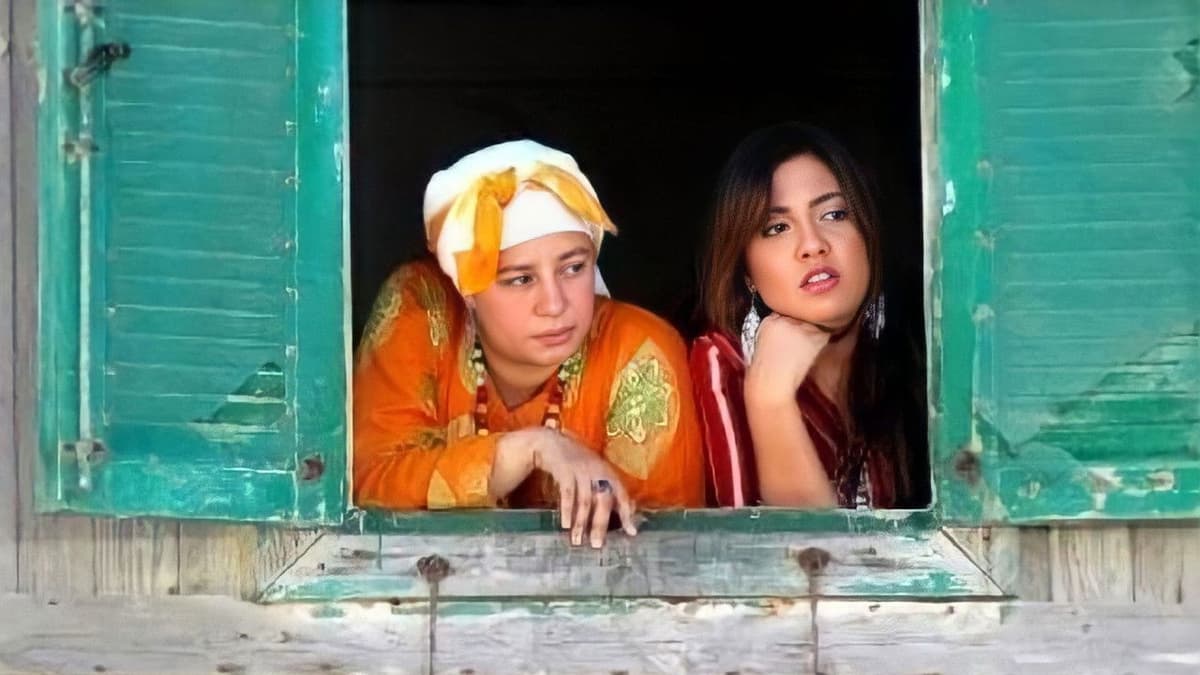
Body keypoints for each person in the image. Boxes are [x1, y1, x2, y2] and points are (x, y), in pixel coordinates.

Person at [354, 139, 705, 547]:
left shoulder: (638, 352)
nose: (554, 304)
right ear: (467, 290)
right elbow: (368, 484)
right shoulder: (424, 309)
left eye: (574, 268)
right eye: (520, 279)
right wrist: (530, 448)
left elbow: (666, 545)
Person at [690, 122, 930, 509]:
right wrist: (770, 401)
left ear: (868, 234)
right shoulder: (724, 362)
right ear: (747, 272)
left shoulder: (920, 349)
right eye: (777, 227)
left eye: (834, 215)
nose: (813, 245)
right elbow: (783, 546)